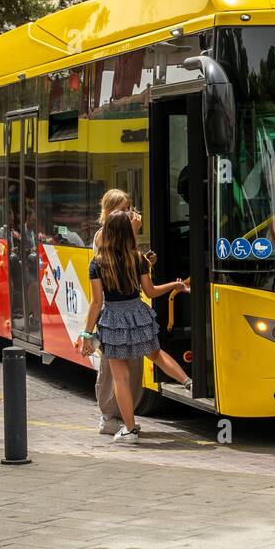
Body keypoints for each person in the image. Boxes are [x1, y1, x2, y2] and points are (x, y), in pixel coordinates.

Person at [78, 210, 189, 446]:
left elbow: (97, 302)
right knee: (156, 353)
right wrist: (175, 285)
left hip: (113, 319)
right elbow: (150, 292)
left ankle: (130, 430)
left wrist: (87, 334)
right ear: (128, 233)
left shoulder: (98, 263)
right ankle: (188, 381)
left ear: (108, 232)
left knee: (121, 378)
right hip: (138, 313)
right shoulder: (138, 258)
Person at [91, 190, 145, 435]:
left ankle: (126, 416)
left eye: (129, 207)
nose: (129, 213)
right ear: (110, 210)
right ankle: (108, 416)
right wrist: (133, 233)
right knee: (112, 368)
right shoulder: (104, 235)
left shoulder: (122, 232)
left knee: (134, 365)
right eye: (123, 208)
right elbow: (117, 256)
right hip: (113, 312)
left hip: (131, 309)